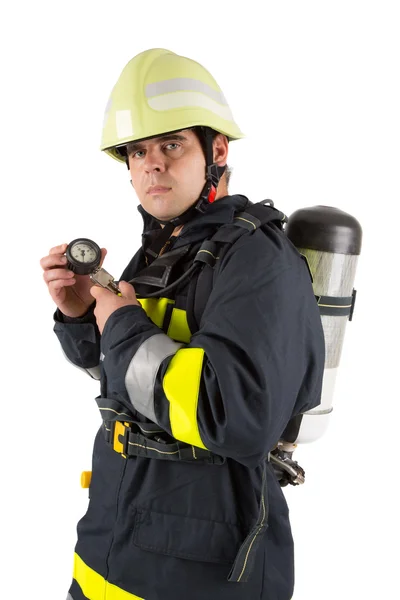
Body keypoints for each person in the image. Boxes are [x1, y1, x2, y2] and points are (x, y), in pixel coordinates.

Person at [40, 48, 325, 600]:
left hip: (199, 570)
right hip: (111, 547)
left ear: (215, 150)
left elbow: (228, 413)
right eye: (139, 150)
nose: (152, 164)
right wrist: (82, 316)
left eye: (171, 144)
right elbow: (134, 381)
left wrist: (120, 323)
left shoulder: (255, 259)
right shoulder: (166, 250)